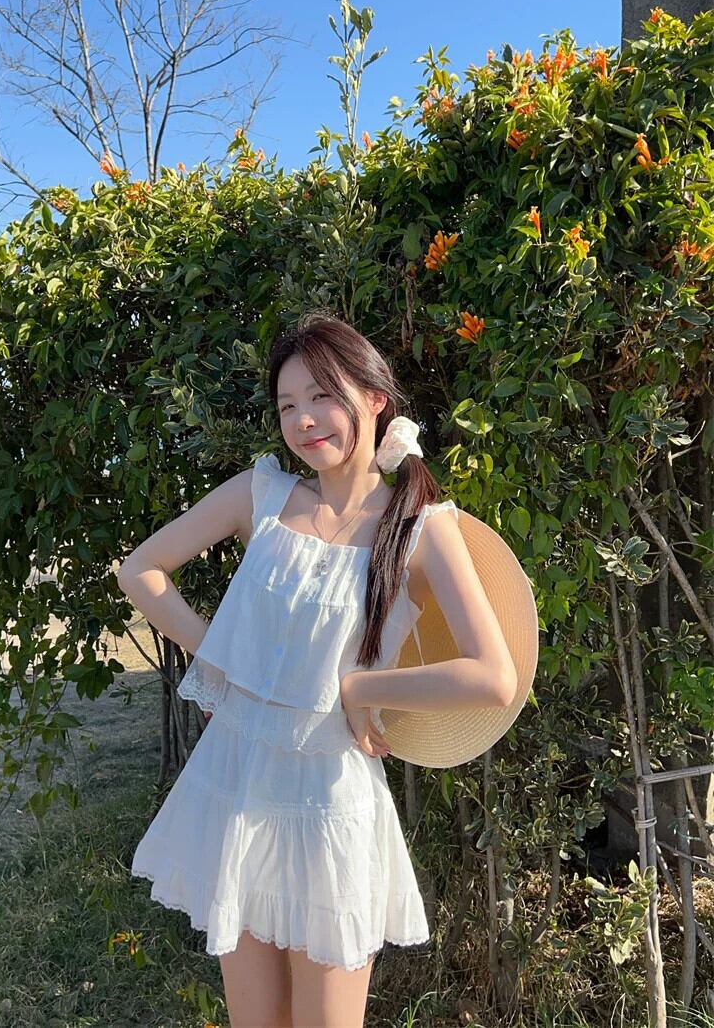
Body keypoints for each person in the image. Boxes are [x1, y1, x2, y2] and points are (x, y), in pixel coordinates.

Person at [117, 313, 517, 1028]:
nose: (303, 420)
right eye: (287, 405)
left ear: (375, 399)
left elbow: (494, 676)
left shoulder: (422, 527)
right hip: (237, 783)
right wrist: (221, 659)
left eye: (322, 396)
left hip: (330, 801)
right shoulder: (262, 496)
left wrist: (364, 688)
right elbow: (140, 570)